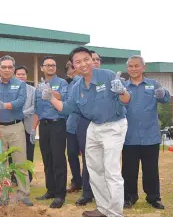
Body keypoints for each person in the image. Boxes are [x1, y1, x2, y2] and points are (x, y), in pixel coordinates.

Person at [44, 47, 131, 217]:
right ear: (73, 66)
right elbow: (67, 109)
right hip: (94, 126)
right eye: (78, 62)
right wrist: (51, 98)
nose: (83, 64)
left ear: (92, 60)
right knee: (94, 169)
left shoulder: (107, 75)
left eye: (86, 59)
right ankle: (103, 208)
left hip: (114, 125)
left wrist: (122, 91)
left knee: (111, 170)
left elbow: (126, 100)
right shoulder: (76, 87)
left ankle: (115, 213)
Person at [0, 55, 33, 207]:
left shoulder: (20, 84)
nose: (6, 70)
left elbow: (20, 102)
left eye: (10, 67)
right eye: (3, 67)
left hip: (16, 128)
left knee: (20, 162)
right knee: (0, 163)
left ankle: (23, 194)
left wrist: (4, 105)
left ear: (13, 68)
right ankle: (2, 195)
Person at [122, 55, 169, 210]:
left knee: (151, 170)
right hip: (129, 136)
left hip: (150, 136)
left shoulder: (153, 84)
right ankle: (129, 197)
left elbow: (165, 98)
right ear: (127, 68)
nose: (134, 69)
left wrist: (164, 94)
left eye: (137, 66)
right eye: (130, 66)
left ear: (143, 67)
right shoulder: (122, 86)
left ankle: (153, 198)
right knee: (129, 171)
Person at [33, 56, 68, 209]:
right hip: (44, 126)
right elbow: (36, 109)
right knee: (47, 159)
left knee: (58, 159)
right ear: (42, 68)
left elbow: (66, 99)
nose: (51, 67)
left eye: (53, 65)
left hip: (57, 124)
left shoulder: (62, 83)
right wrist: (33, 129)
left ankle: (60, 195)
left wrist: (51, 93)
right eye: (47, 65)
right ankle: (51, 190)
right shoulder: (38, 86)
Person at [75, 50, 102, 206]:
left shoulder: (108, 78)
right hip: (85, 123)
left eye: (96, 59)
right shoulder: (79, 83)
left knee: (106, 162)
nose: (94, 61)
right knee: (88, 159)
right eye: (92, 59)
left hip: (107, 125)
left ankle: (105, 194)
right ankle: (87, 193)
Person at [14, 65, 36, 183]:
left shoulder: (32, 90)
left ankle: (29, 177)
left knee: (29, 151)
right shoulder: (11, 89)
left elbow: (35, 106)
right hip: (14, 124)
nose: (21, 76)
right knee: (15, 151)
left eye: (23, 74)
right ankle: (14, 177)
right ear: (15, 75)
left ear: (26, 76)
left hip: (27, 124)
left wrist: (22, 113)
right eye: (19, 74)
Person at [64, 61, 82, 194]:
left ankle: (90, 185)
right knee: (71, 154)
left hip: (85, 125)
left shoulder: (83, 82)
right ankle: (77, 181)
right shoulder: (69, 85)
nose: (71, 73)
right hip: (71, 127)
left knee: (89, 157)